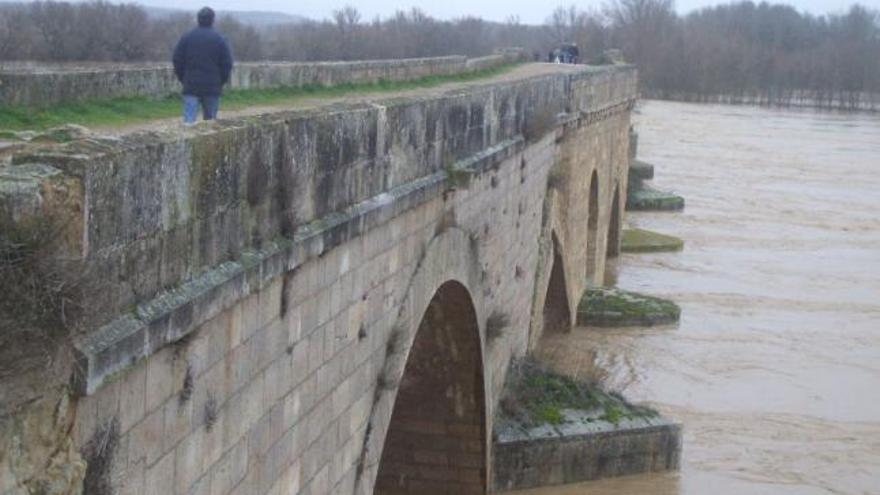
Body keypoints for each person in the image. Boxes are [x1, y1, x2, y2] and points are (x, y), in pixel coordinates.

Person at [172, 7, 233, 124]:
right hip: (212, 86)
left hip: (191, 84)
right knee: (210, 124)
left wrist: (183, 78)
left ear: (198, 19)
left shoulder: (187, 38)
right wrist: (220, 81)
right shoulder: (220, 39)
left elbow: (177, 60)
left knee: (189, 124)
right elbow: (227, 64)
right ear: (212, 20)